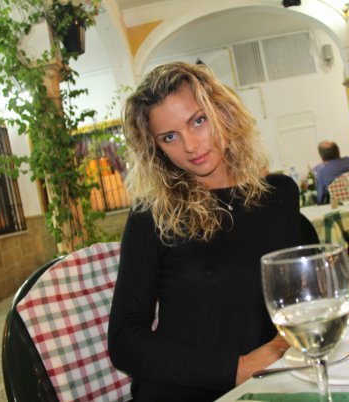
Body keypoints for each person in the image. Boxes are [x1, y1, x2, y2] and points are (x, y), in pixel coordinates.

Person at [108, 62, 299, 402]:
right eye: (169, 137)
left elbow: (303, 295)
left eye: (198, 121)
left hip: (271, 387)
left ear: (222, 112)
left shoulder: (279, 195)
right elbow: (124, 340)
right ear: (156, 148)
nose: (191, 146)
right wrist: (237, 368)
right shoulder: (153, 215)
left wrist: (280, 346)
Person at [314, 140, 349, 204]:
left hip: (339, 206)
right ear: (338, 151)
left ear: (321, 156)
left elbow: (320, 198)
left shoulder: (322, 172)